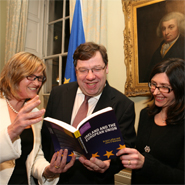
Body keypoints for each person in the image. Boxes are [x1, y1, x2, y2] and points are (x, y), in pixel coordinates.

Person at [41, 42, 136, 184]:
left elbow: (125, 151)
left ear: (106, 68)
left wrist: (107, 167)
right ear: (76, 71)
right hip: (56, 180)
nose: (90, 77)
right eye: (83, 70)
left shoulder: (123, 105)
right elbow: (46, 139)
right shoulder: (58, 94)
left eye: (96, 69)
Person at [0, 52, 75, 185]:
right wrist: (12, 131)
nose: (37, 83)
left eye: (40, 78)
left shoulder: (33, 112)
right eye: (31, 77)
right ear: (14, 75)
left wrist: (48, 171)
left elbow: (34, 157)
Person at [117, 58, 184, 184]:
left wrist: (146, 163)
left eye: (165, 87)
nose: (156, 92)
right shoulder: (145, 114)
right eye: (153, 84)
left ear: (180, 89)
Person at [144, 12, 185, 82]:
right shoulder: (159, 49)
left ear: (179, 27)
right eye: (163, 29)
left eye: (171, 27)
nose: (166, 32)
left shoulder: (183, 46)